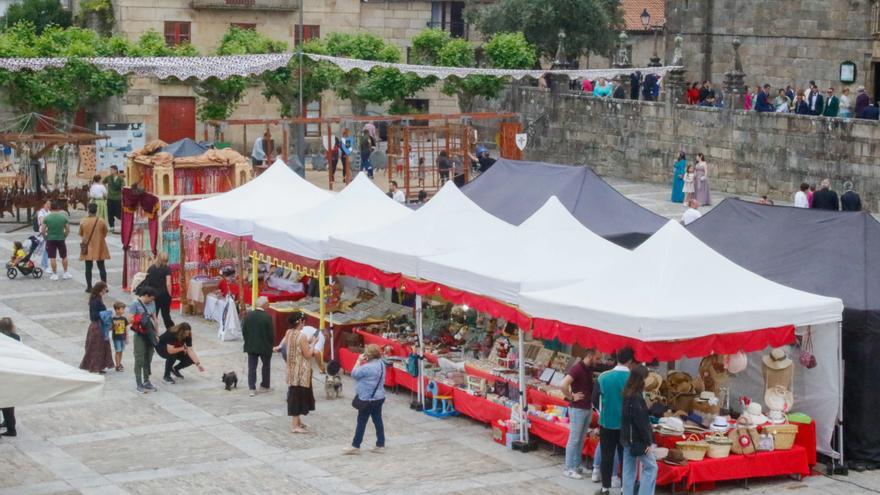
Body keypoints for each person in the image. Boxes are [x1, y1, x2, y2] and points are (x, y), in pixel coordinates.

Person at [596, 347, 634, 495]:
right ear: (630, 361)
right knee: (626, 458)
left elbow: (594, 400)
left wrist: (602, 413)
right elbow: (639, 404)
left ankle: (605, 488)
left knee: (607, 456)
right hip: (627, 426)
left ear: (617, 358)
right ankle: (625, 489)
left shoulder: (603, 377)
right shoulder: (634, 379)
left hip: (607, 422)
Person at [274, 312, 318, 433]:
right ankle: (294, 426)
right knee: (298, 396)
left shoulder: (289, 333)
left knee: (295, 394)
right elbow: (308, 355)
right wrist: (313, 343)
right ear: (300, 322)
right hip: (301, 370)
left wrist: (308, 342)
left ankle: (298, 421)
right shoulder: (301, 336)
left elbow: (292, 346)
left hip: (291, 367)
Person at [343, 343, 387, 454]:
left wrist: (358, 361)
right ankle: (380, 444)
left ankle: (355, 445)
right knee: (378, 420)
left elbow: (353, 374)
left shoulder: (366, 367)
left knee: (361, 421)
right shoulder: (381, 364)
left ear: (368, 355)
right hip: (379, 397)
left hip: (367, 398)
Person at [621, 364, 657, 495]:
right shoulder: (636, 397)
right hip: (636, 439)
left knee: (628, 470)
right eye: (647, 377)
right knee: (651, 467)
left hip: (626, 437)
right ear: (642, 379)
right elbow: (641, 422)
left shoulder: (627, 393)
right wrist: (648, 441)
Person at [561, 349, 597, 478]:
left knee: (580, 439)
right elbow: (563, 384)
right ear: (590, 355)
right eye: (597, 358)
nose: (598, 361)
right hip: (578, 408)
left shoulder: (587, 369)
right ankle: (568, 468)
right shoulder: (577, 368)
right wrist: (571, 397)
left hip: (586, 408)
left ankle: (576, 465)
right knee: (574, 439)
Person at [242, 296, 275, 397]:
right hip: (264, 346)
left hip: (251, 346)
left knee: (252, 367)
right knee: (266, 366)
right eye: (268, 303)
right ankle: (265, 385)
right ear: (264, 305)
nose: (269, 305)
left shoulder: (248, 316)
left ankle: (252, 388)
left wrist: (247, 341)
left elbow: (244, 331)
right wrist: (271, 345)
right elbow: (271, 334)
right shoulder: (267, 317)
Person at [128, 287, 159, 393]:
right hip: (140, 334)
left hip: (150, 334)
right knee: (139, 358)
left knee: (148, 357)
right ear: (145, 295)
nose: (151, 301)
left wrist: (157, 334)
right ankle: (139, 382)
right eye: (150, 298)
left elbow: (155, 319)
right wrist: (139, 318)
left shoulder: (153, 303)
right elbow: (130, 319)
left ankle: (146, 380)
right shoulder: (135, 304)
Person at [80, 282, 113, 373]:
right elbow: (94, 315)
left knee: (101, 347)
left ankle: (99, 366)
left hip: (99, 325)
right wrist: (106, 314)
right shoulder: (95, 300)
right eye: (105, 289)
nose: (106, 291)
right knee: (96, 347)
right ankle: (94, 367)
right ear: (101, 289)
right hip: (97, 326)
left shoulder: (97, 298)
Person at [79, 203, 110, 293]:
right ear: (96, 211)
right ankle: (104, 287)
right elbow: (105, 233)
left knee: (88, 267)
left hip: (88, 247)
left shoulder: (83, 221)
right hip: (99, 245)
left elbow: (81, 233)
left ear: (88, 210)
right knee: (101, 267)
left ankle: (89, 287)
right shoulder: (101, 221)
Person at [42, 200, 71, 281]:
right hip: (61, 238)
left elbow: (43, 230)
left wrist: (45, 237)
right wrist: (64, 236)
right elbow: (68, 229)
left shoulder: (47, 218)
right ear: (58, 208)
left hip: (50, 239)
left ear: (50, 208)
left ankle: (54, 274)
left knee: (52, 257)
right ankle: (65, 273)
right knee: (64, 256)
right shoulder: (63, 217)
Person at [143, 253, 174, 330]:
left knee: (153, 314)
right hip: (164, 295)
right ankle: (171, 331)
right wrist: (170, 294)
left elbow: (147, 281)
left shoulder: (151, 268)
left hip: (153, 295)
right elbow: (168, 284)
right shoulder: (167, 269)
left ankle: (151, 331)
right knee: (166, 315)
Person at [0, 317, 20, 437]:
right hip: (12, 374)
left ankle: (11, 429)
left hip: (5, 376)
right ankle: (8, 423)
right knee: (7, 403)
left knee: (6, 403)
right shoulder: (16, 338)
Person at [103, 165, 124, 232]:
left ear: (115, 170)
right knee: (110, 213)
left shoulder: (120, 178)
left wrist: (121, 191)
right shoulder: (108, 177)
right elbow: (103, 182)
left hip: (117, 198)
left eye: (112, 170)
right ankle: (111, 226)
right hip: (110, 198)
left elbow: (123, 186)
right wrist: (106, 189)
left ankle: (122, 225)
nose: (111, 171)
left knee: (119, 213)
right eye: (110, 170)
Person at [110, 301, 128, 372]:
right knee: (118, 351)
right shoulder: (113, 319)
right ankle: (117, 365)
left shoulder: (124, 318)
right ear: (117, 310)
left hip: (123, 337)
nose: (123, 311)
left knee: (121, 351)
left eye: (123, 309)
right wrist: (114, 325)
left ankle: (119, 363)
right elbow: (110, 328)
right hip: (116, 338)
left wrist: (127, 337)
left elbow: (126, 328)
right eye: (122, 309)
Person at [36, 199, 51, 272]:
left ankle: (43, 264)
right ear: (44, 204)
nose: (48, 205)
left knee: (47, 248)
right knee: (46, 248)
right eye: (47, 204)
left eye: (49, 204)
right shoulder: (41, 212)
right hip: (44, 232)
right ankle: (45, 266)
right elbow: (42, 222)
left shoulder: (49, 212)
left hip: (49, 232)